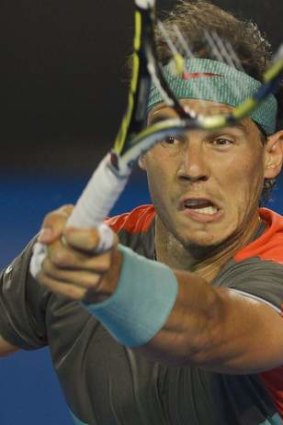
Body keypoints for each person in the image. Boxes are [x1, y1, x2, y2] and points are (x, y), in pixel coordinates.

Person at [1, 1, 283, 424]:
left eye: (221, 141)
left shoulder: (275, 271)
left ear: (272, 155)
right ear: (146, 152)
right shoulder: (69, 258)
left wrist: (112, 281)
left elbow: (210, 329)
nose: (193, 168)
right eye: (169, 137)